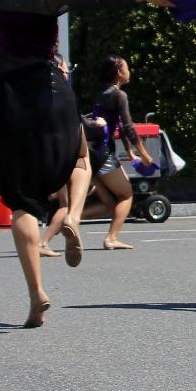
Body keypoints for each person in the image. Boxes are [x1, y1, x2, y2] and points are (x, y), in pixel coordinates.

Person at [0, 0, 174, 327]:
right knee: (80, 158)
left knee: (21, 200)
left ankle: (36, 293)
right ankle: (72, 216)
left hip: (8, 98)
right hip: (50, 91)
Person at [47, 55, 150, 254]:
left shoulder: (102, 93)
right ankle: (111, 238)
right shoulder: (120, 96)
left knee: (109, 204)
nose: (130, 72)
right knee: (126, 194)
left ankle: (61, 227)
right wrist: (144, 155)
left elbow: (117, 125)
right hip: (102, 151)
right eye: (127, 68)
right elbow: (128, 127)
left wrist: (129, 151)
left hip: (90, 151)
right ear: (119, 73)